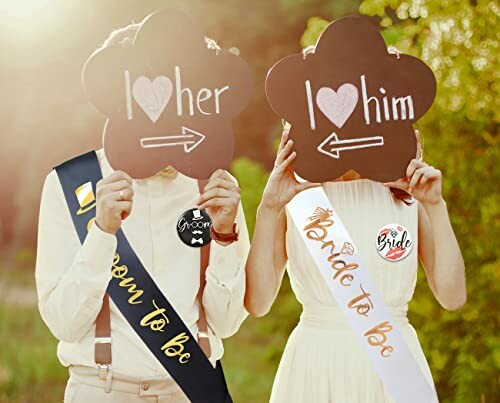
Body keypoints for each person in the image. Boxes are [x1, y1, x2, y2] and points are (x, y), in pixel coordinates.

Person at [35, 24, 249, 403]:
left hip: (192, 387)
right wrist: (101, 233)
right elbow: (64, 322)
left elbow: (227, 324)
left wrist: (226, 234)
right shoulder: (72, 185)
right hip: (101, 390)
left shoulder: (212, 185)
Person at [244, 128, 466, 402]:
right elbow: (258, 303)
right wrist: (268, 208)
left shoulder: (406, 194)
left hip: (394, 367)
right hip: (316, 365)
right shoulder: (298, 195)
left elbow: (453, 296)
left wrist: (435, 205)